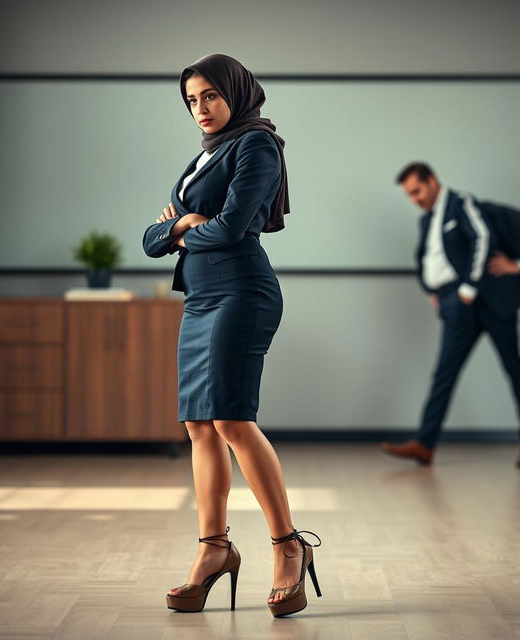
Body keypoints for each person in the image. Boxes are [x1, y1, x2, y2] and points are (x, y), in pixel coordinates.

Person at [141, 53, 321, 617]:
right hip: (199, 302)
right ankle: (214, 549)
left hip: (243, 294)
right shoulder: (203, 157)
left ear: (236, 94)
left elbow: (233, 227)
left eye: (211, 96)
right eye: (192, 100)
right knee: (198, 424)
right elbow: (150, 239)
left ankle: (288, 546)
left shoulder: (257, 146)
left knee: (232, 420)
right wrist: (182, 226)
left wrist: (184, 226)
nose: (201, 109)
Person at [381, 163, 520, 467]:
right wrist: (434, 290)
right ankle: (424, 444)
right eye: (409, 195)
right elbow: (429, 258)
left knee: (514, 368)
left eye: (417, 191)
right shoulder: (427, 221)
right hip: (457, 305)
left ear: (432, 181)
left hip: (491, 301)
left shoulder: (461, 203)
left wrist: (469, 287)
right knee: (444, 372)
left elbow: (483, 239)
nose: (414, 199)